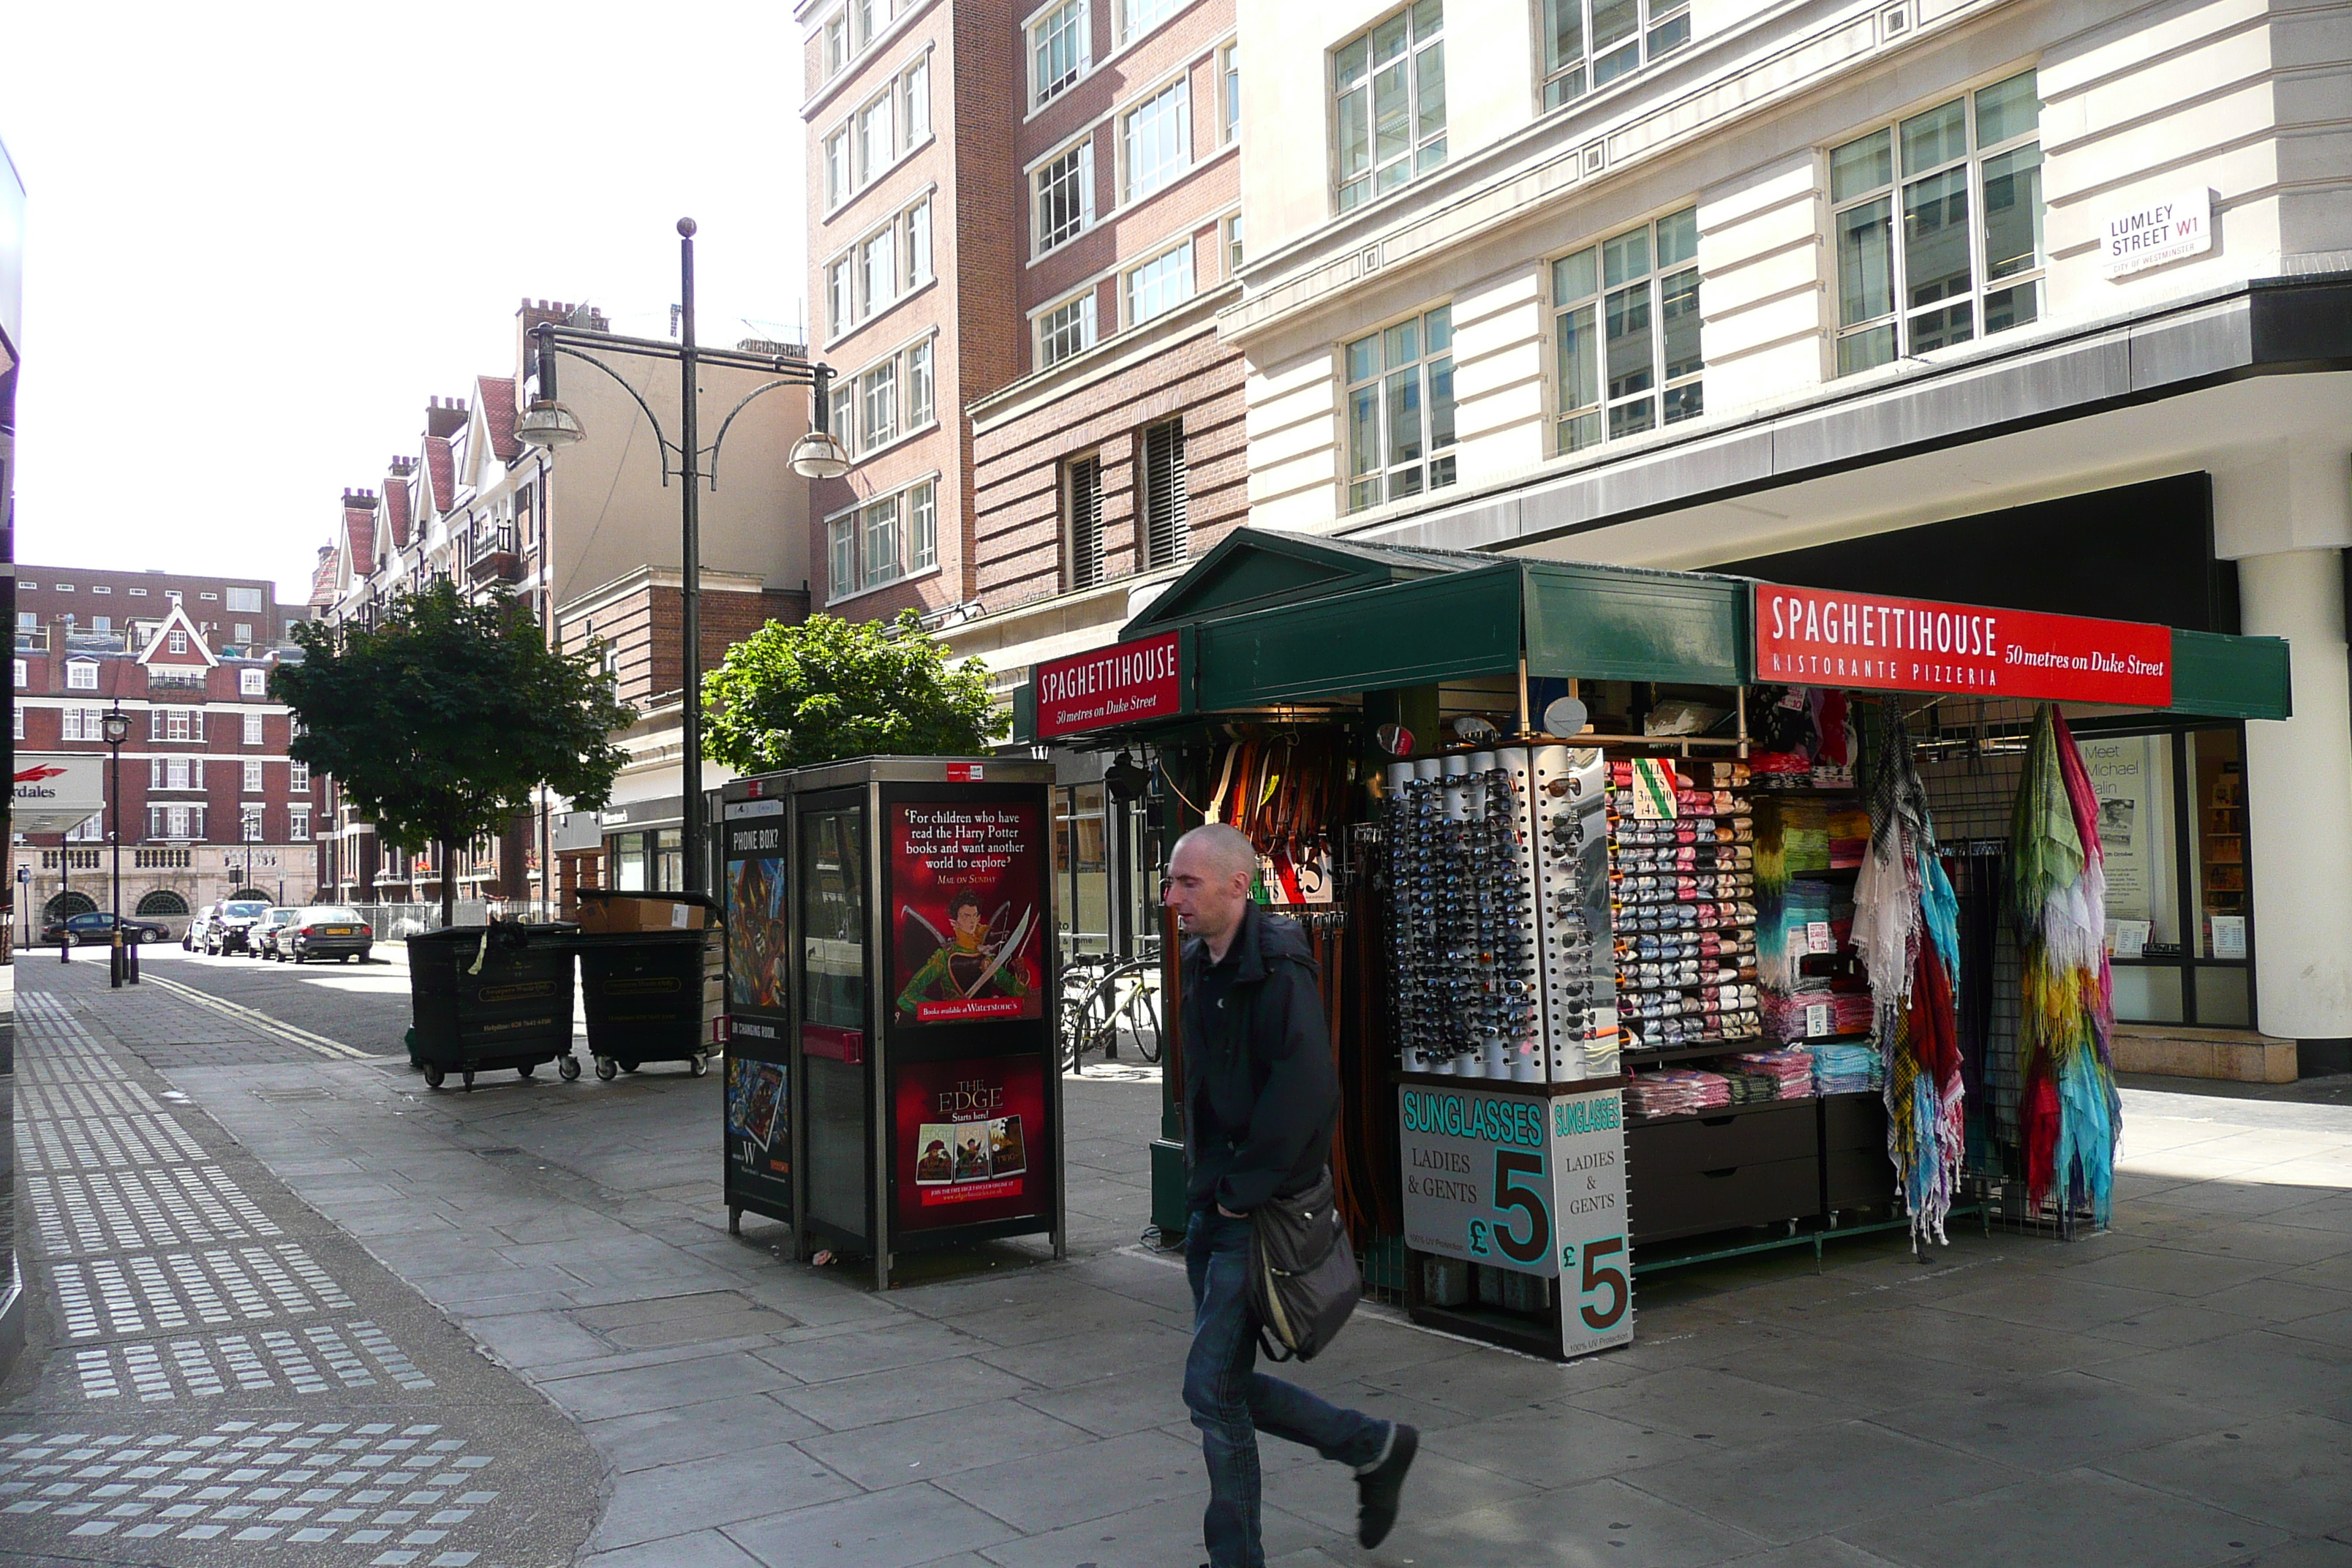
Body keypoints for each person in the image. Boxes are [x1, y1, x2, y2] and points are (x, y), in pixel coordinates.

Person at [1164, 823, 1416, 1568]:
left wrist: (1244, 1191)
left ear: (1239, 885)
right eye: (1171, 880)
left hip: (1256, 1208)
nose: (1173, 895)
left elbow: (1309, 1090)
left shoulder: (1276, 967)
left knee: (1211, 1390)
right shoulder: (1199, 963)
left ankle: (1237, 1558)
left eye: (1189, 882)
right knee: (1227, 1384)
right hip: (1214, 1201)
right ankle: (1373, 1444)